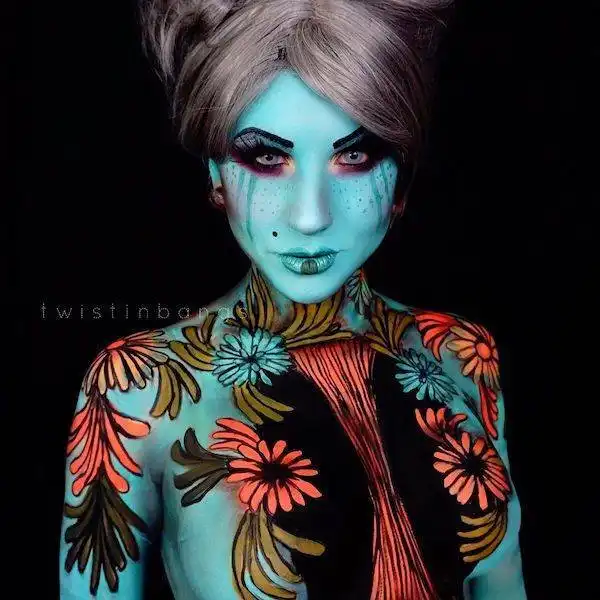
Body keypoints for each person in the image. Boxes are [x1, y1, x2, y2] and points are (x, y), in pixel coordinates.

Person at [58, 1, 526, 598]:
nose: (310, 216)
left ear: (401, 173)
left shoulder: (462, 354)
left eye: (354, 155)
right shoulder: (136, 386)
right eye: (267, 157)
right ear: (215, 172)